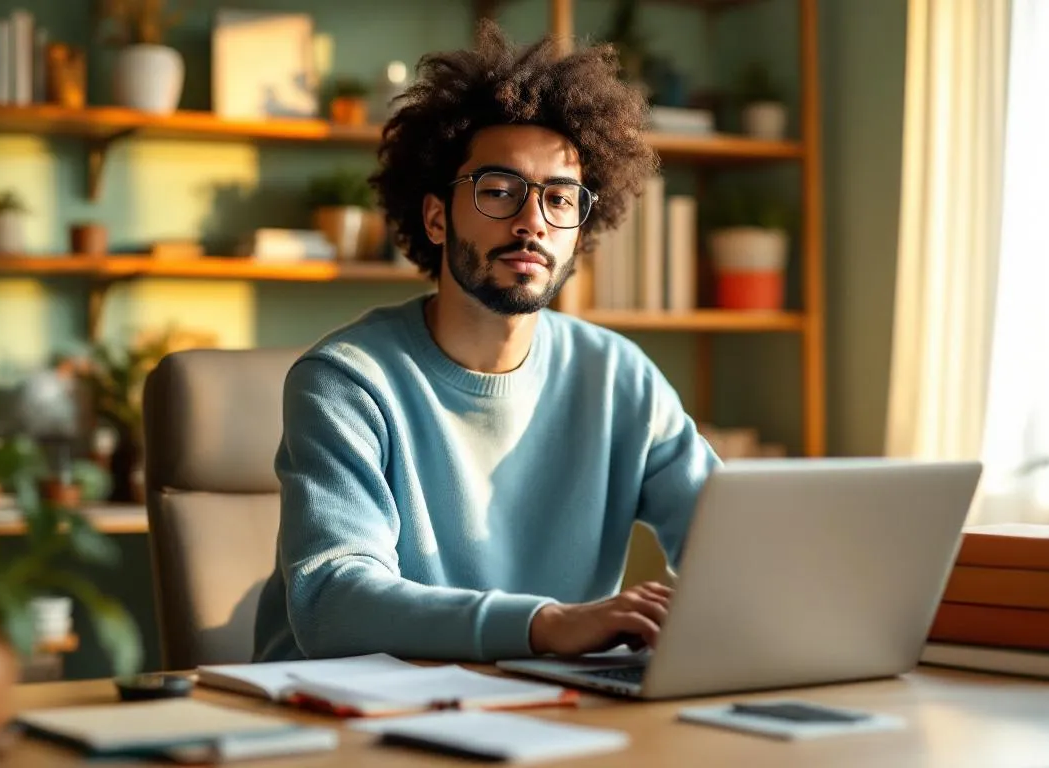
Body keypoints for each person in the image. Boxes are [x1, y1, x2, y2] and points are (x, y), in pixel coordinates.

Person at [252, 21, 720, 663]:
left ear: (579, 232)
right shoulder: (347, 381)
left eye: (560, 199)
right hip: (341, 720)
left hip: (542, 707)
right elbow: (335, 601)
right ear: (437, 218)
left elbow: (729, 549)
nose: (532, 221)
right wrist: (546, 625)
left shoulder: (620, 378)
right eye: (500, 192)